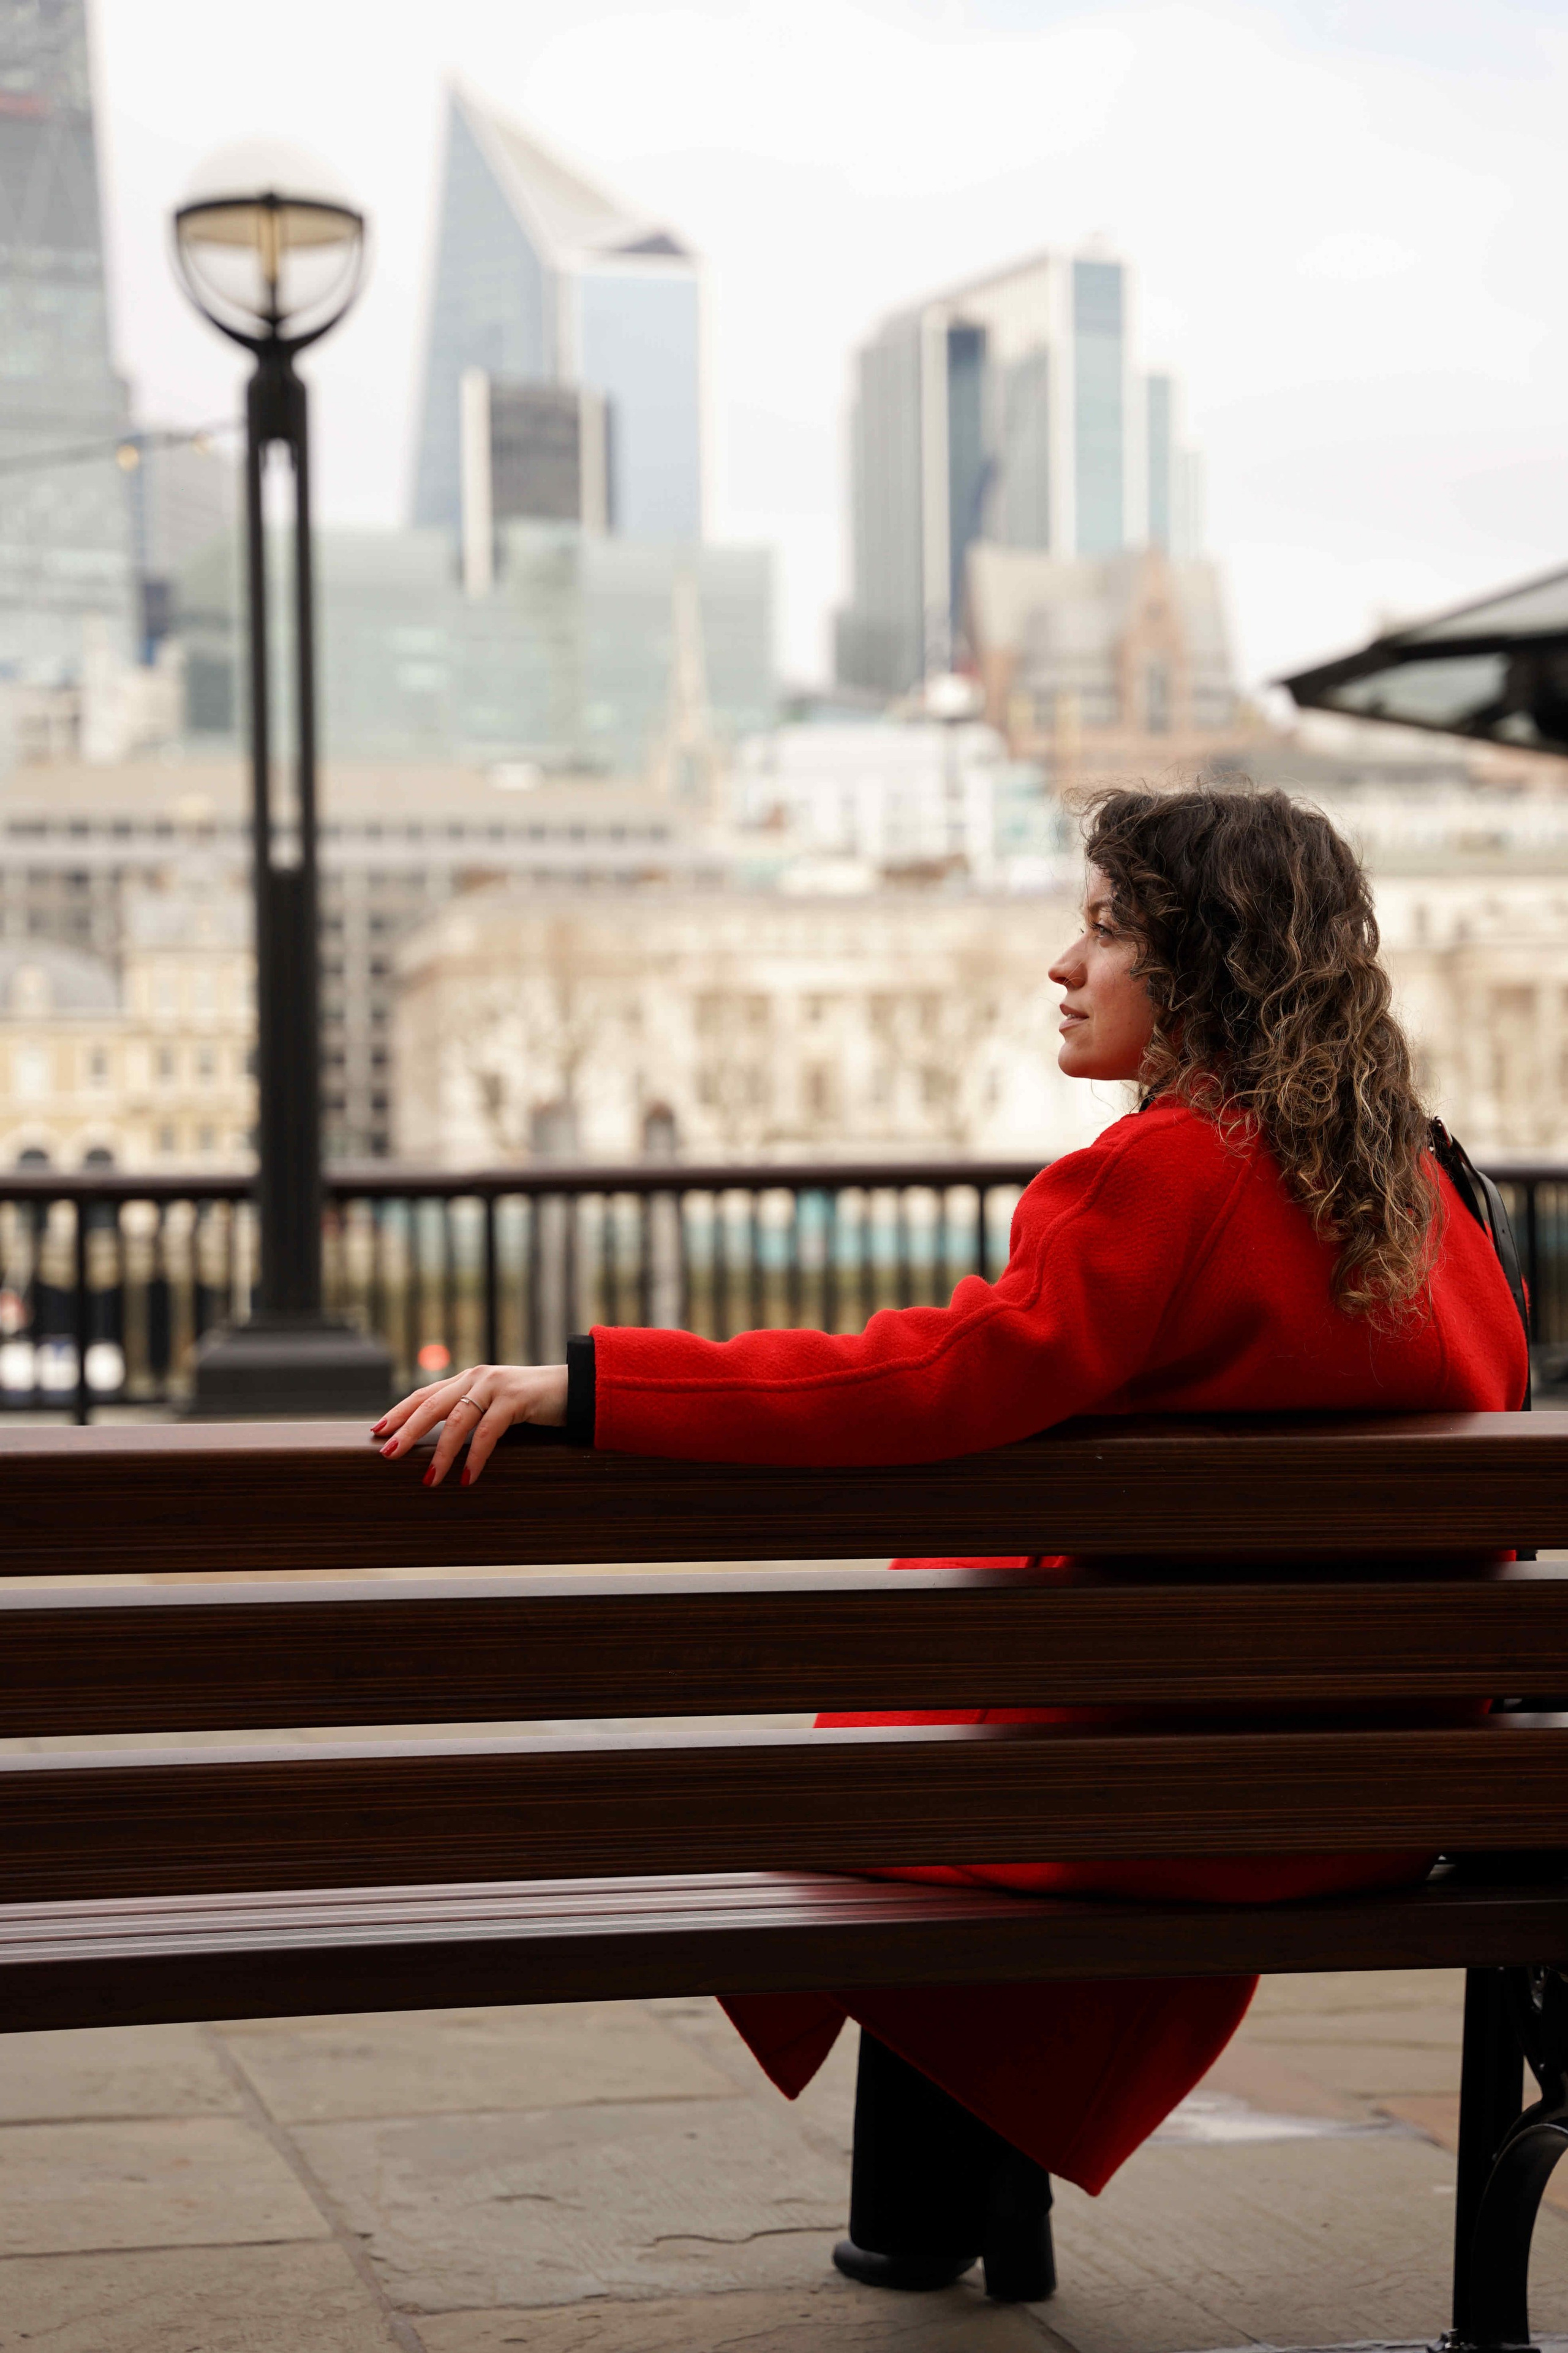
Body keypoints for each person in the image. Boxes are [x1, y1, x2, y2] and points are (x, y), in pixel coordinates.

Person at [372, 785, 1528, 2299]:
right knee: (943, 1744)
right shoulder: (1427, 1194)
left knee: (894, 1767)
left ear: (1205, 964)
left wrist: (587, 1387)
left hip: (1165, 1809)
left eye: (1105, 931)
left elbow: (922, 1379)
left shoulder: (1162, 1174)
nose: (1063, 962)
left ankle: (928, 2213)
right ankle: (953, 2200)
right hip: (1369, 1800)